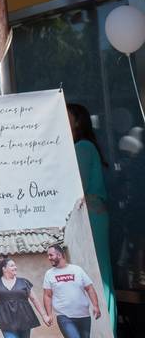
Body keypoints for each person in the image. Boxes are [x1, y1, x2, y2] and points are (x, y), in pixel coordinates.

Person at [65, 103, 115, 331]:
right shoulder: (85, 147)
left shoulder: (83, 148)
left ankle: (104, 329)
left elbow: (77, 187)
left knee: (95, 276)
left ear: (77, 122)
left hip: (90, 218)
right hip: (94, 216)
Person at [43, 244, 101, 338]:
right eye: (48, 255)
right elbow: (47, 295)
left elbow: (89, 288)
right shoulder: (49, 274)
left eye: (51, 255)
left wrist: (96, 306)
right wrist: (49, 315)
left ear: (59, 255)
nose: (49, 258)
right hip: (64, 317)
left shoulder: (77, 270)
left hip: (84, 315)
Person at [0, 257, 47, 338]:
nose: (15, 267)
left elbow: (34, 299)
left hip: (25, 319)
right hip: (5, 321)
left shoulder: (24, 282)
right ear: (4, 269)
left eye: (15, 265)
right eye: (12, 266)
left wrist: (44, 315)